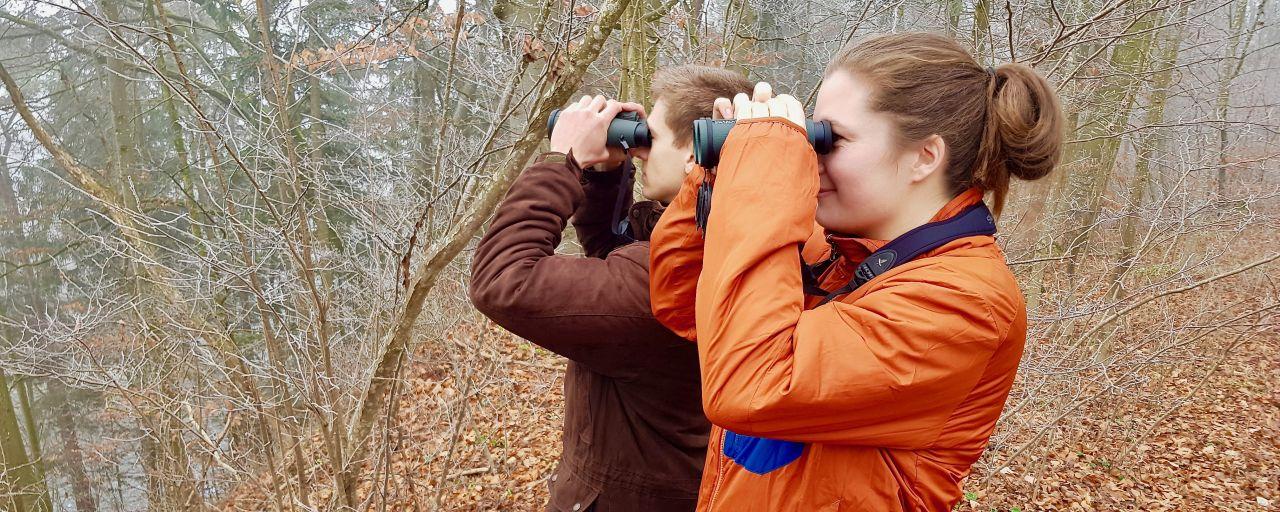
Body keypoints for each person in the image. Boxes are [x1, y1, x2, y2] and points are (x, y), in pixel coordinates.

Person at [648, 33, 1064, 511]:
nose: (812, 156)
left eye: (831, 138)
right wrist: (724, 173)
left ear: (924, 157)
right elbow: (682, 303)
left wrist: (763, 179)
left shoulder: (966, 302)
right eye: (812, 134)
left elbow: (755, 386)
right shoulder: (842, 258)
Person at [469, 66, 753, 511]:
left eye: (650, 138)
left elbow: (504, 279)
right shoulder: (733, 239)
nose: (638, 150)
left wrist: (562, 161)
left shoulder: (661, 284)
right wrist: (604, 177)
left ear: (694, 153)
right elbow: (612, 259)